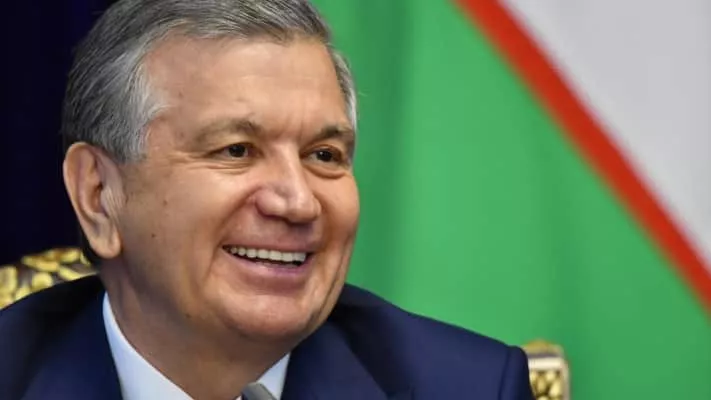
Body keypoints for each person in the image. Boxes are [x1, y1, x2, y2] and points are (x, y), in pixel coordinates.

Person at [0, 1, 534, 399]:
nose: (298, 202)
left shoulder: (468, 388)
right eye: (236, 150)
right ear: (99, 195)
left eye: (324, 155)